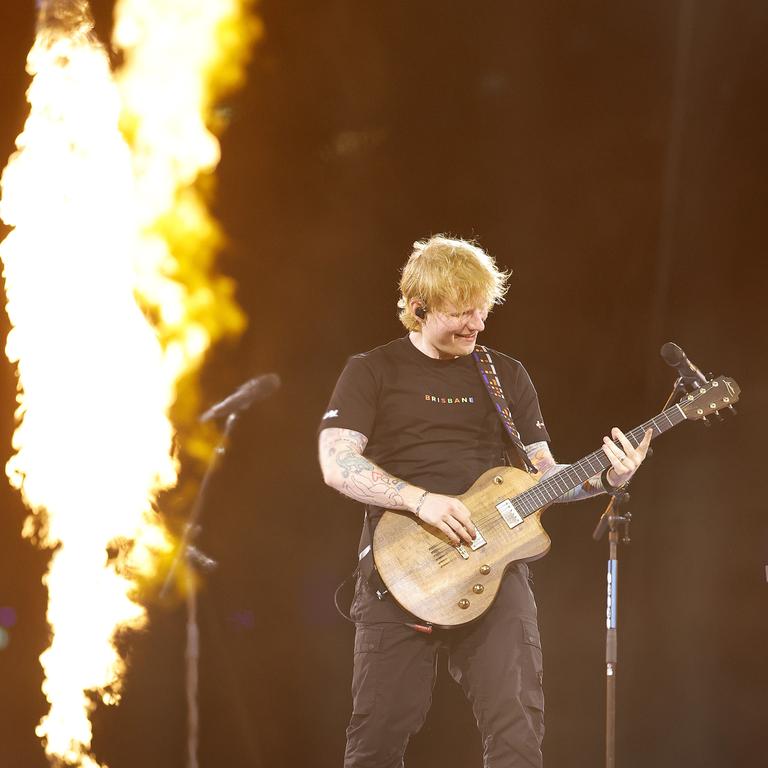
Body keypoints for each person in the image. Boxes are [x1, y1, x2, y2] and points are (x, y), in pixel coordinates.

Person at [318, 235, 651, 768]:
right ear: (419, 308)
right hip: (401, 571)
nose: (476, 325)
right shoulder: (372, 371)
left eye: (482, 311)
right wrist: (420, 501)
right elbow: (338, 463)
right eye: (461, 313)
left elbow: (546, 473)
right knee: (378, 737)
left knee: (518, 725)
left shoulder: (505, 374)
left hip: (495, 570)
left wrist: (606, 477)